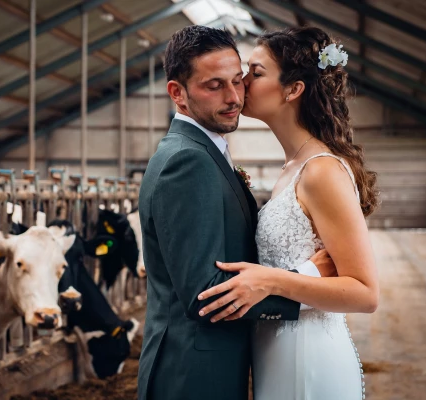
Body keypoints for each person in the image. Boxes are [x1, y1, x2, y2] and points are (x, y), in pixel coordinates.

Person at [136, 26, 337, 400]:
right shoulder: (187, 161)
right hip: (193, 378)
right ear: (177, 93)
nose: (233, 98)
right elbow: (204, 295)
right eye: (214, 86)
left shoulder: (204, 152)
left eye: (237, 80)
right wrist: (307, 280)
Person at [197, 27, 380, 399]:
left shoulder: (321, 170)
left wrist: (274, 281)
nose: (243, 82)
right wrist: (304, 273)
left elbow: (365, 293)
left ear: (293, 89)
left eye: (256, 72)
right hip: (275, 350)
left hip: (307, 355)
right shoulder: (292, 167)